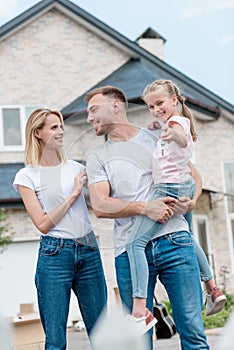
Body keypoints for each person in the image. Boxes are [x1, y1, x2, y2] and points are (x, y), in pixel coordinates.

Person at [85, 85, 210, 349]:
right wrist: (146, 207)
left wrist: (192, 201)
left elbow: (194, 177)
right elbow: (100, 205)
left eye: (94, 109)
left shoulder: (156, 135)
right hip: (129, 252)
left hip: (175, 241)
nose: (88, 118)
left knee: (193, 333)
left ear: (116, 106)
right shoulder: (97, 157)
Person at [124, 79, 226, 323]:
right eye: (150, 106)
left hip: (168, 188)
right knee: (187, 237)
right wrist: (159, 127)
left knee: (134, 244)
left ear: (174, 100)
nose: (156, 109)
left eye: (160, 103)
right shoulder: (171, 122)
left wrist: (169, 131)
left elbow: (179, 136)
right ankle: (212, 288)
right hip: (182, 184)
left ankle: (140, 311)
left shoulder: (177, 123)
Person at [13, 108, 107, 350]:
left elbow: (104, 200)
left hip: (88, 251)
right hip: (55, 255)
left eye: (61, 126)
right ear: (38, 133)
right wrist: (74, 193)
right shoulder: (27, 176)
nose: (61, 131)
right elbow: (43, 224)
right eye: (54, 127)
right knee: (55, 340)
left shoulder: (76, 168)